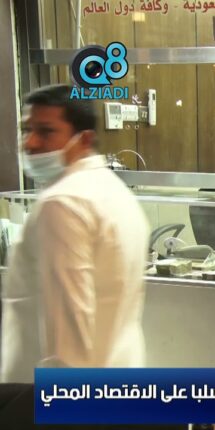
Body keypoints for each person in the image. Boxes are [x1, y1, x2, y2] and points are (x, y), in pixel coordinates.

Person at [1, 84, 149, 383]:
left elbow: (68, 332)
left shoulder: (63, 203)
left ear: (85, 139)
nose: (30, 143)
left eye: (46, 131)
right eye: (26, 130)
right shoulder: (113, 190)